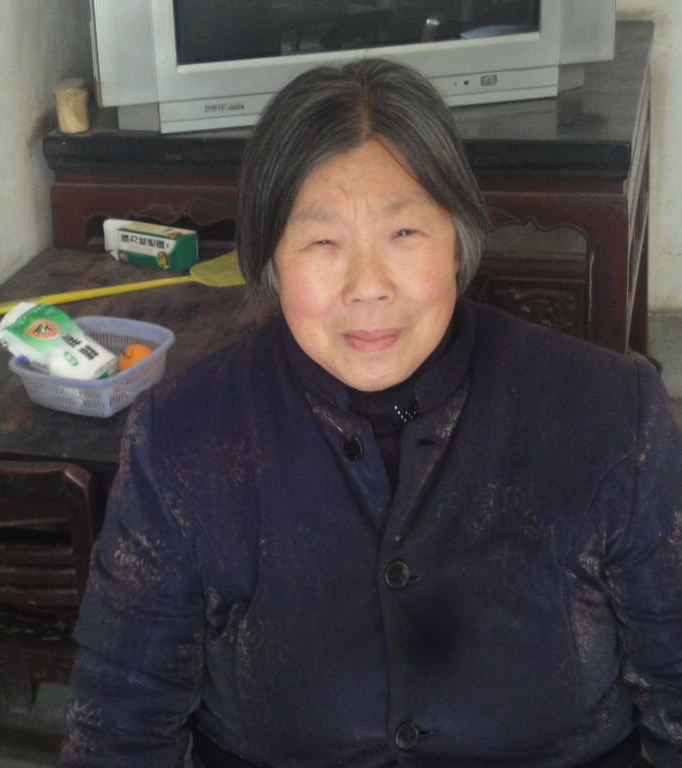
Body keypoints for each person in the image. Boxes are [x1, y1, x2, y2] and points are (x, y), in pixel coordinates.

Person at [57, 59, 682, 767]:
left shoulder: (610, 417)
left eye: (404, 233)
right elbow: (121, 722)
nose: (367, 287)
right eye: (323, 241)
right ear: (270, 259)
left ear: (458, 240)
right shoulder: (183, 437)